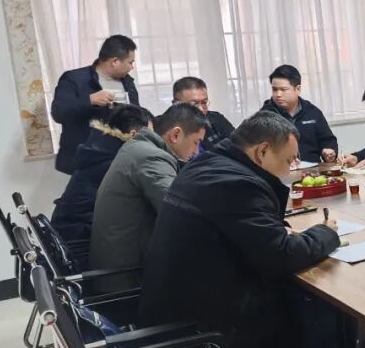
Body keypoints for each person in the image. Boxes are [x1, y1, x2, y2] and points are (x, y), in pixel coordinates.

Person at [138, 111, 342, 348]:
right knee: (326, 316)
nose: (290, 169)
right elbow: (280, 257)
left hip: (182, 304)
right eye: (288, 161)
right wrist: (326, 233)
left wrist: (276, 232)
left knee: (307, 303)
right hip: (207, 326)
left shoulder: (209, 165)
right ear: (262, 151)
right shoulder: (236, 183)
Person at [89, 103, 207, 274]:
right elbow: (180, 213)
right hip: (127, 275)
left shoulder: (139, 148)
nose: (196, 152)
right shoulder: (151, 157)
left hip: (119, 265)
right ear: (175, 135)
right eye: (196, 142)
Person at [50, 104, 154, 249]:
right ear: (133, 134)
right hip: (80, 241)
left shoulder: (101, 149)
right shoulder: (117, 160)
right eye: (151, 135)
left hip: (65, 232)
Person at [50, 35, 140, 174]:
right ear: (115, 61)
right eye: (130, 62)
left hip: (118, 158)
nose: (132, 67)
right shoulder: (74, 79)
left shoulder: (127, 82)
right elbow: (59, 112)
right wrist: (89, 100)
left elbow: (136, 113)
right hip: (85, 161)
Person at [260, 65, 338, 164]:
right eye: (274, 89)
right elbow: (259, 150)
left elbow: (328, 140)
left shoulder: (312, 112)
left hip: (313, 169)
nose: (278, 94)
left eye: (283, 90)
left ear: (297, 89)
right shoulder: (264, 116)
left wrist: (329, 153)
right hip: (280, 170)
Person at [172, 76, 235, 153]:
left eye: (204, 103)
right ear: (176, 104)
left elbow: (238, 147)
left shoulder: (216, 119)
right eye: (194, 104)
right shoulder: (165, 128)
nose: (201, 109)